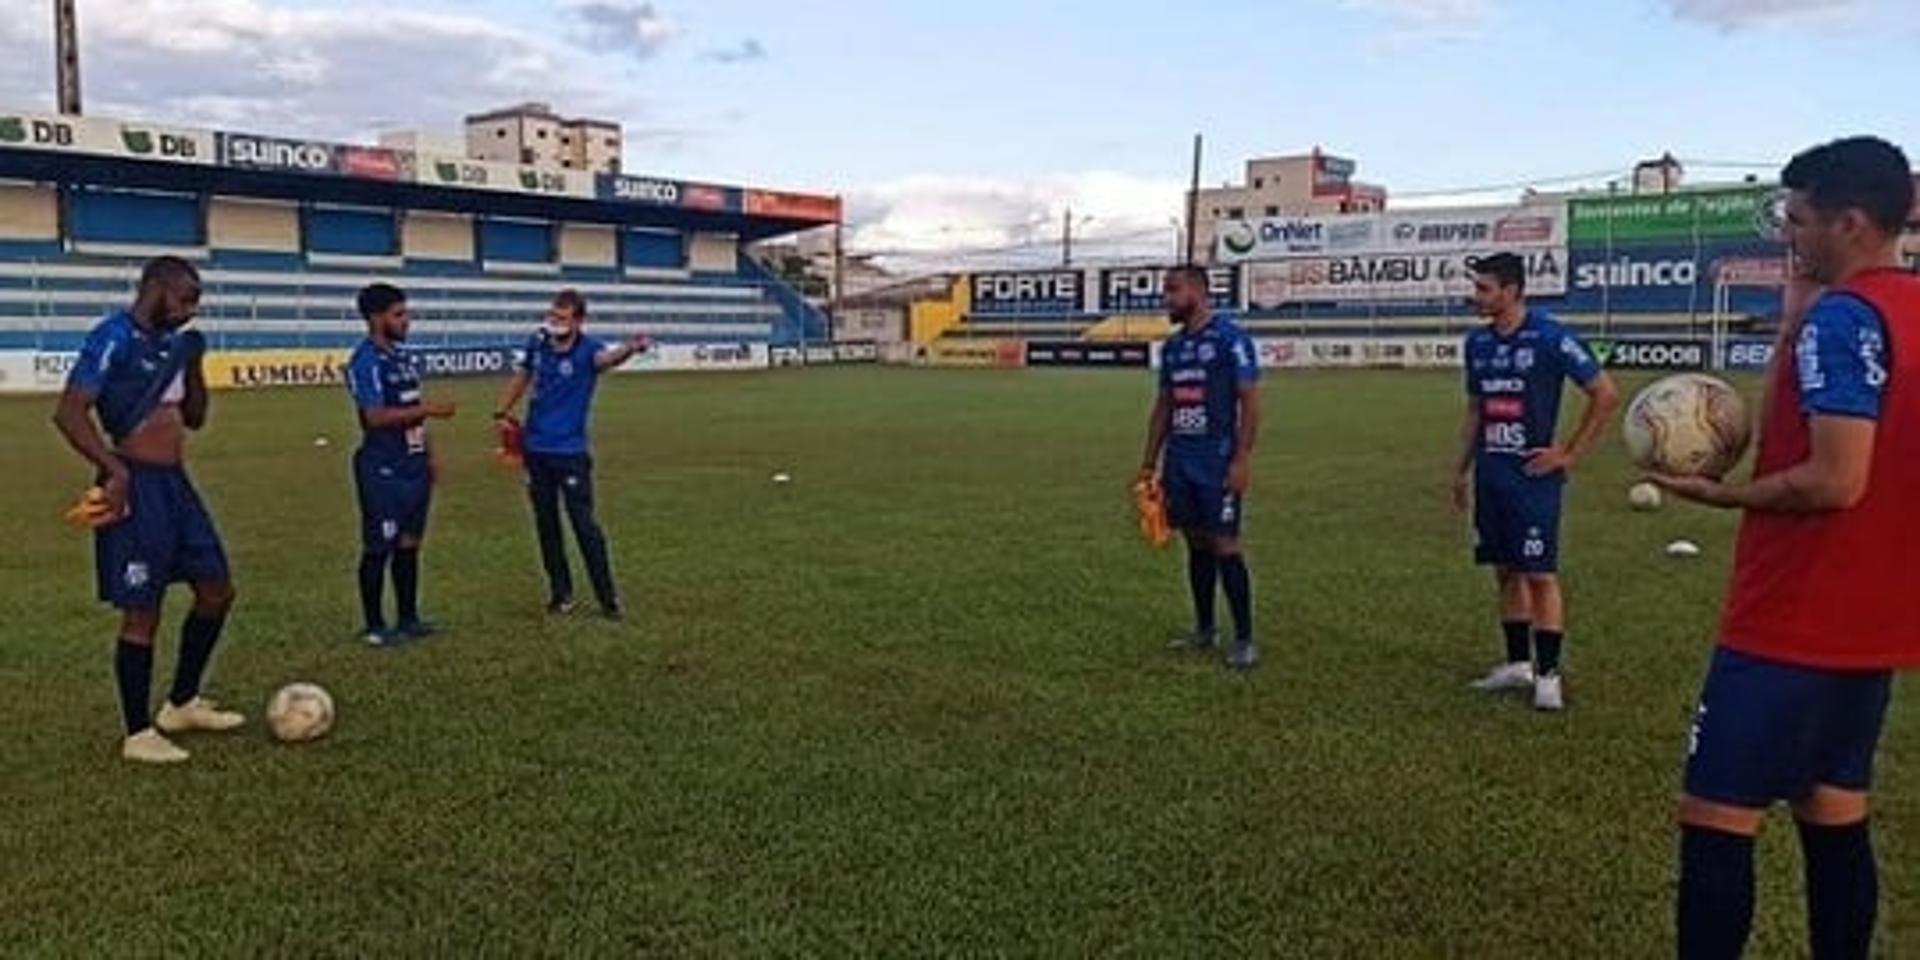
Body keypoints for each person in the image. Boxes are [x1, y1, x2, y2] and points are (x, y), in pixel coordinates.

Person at [1654, 136, 1917, 960]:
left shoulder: (1845, 320)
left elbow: (1834, 479)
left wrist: (1724, 494)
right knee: (1833, 807)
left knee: (1717, 818)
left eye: (1799, 222)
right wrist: (1798, 309)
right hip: (1873, 619)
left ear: (1848, 221)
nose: (1790, 238)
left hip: (1791, 617)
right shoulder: (1900, 307)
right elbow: (1794, 434)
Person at [51, 256, 242, 764]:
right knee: (143, 610)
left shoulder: (177, 344)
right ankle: (138, 732)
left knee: (216, 589)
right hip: (136, 485)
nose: (189, 312)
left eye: (196, 304)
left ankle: (181, 702)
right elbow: (69, 412)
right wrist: (114, 472)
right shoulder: (113, 335)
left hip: (176, 485)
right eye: (183, 300)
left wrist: (195, 364)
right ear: (155, 288)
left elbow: (195, 419)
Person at [1451, 251, 1619, 711]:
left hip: (1532, 479)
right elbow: (1475, 412)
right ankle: (1517, 664)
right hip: (1492, 476)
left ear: (1512, 290)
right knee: (1504, 571)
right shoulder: (1478, 344)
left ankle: (1548, 676)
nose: (1476, 296)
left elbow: (1604, 394)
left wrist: (1568, 453)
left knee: (1540, 574)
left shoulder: (1550, 337)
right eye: (1477, 286)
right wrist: (1460, 470)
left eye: (1485, 288)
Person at [492, 289, 649, 618]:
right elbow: (523, 375)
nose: (554, 323)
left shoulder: (588, 350)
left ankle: (608, 599)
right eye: (552, 316)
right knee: (546, 524)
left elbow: (606, 360)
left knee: (584, 525)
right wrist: (502, 410)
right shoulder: (537, 342)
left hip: (570, 452)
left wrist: (631, 348)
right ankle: (561, 593)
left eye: (562, 318)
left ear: (578, 320)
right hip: (535, 450)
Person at [1137, 264, 1263, 670]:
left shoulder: (1230, 339)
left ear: (1198, 292)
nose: (1166, 299)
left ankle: (1244, 639)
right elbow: (1164, 407)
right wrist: (1148, 464)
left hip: (1218, 460)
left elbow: (1251, 402)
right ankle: (1205, 629)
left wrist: (1242, 459)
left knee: (1226, 544)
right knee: (1195, 543)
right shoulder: (1173, 348)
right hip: (1181, 461)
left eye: (1173, 290)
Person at [344, 283, 454, 646]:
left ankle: (408, 618)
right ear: (377, 318)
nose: (407, 320)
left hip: (413, 465)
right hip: (382, 468)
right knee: (379, 546)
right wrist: (429, 410)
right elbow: (373, 417)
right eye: (399, 314)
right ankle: (374, 626)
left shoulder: (402, 357)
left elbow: (412, 412)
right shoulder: (365, 361)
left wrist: (431, 455)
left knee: (410, 542)